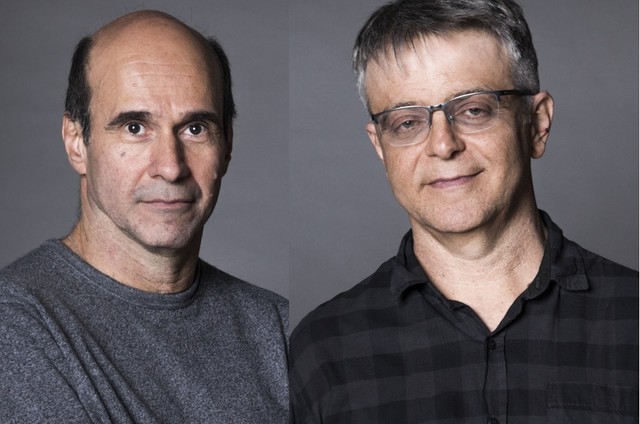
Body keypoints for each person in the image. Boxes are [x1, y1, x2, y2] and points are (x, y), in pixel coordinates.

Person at [289, 0, 638, 422]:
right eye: (407, 123)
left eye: (473, 110)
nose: (442, 145)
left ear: (537, 123)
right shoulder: (322, 352)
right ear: (380, 148)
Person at [0, 10, 288, 423]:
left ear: (227, 145)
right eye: (134, 127)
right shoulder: (16, 326)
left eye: (195, 129)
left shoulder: (277, 328)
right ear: (76, 142)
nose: (170, 167)